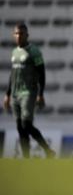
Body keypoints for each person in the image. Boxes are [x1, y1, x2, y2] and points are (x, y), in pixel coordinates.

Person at [3, 22, 56, 158]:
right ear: (13, 35)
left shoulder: (34, 51)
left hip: (28, 92)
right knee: (20, 128)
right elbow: (12, 74)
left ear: (27, 35)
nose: (19, 36)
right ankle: (26, 159)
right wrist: (7, 95)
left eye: (21, 33)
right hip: (15, 94)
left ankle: (47, 150)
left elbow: (42, 72)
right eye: (16, 33)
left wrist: (41, 93)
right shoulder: (15, 52)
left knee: (26, 124)